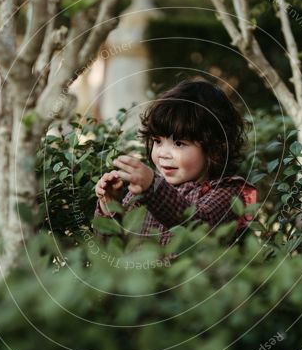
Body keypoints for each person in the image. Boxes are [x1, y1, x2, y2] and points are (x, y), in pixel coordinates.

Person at [94, 79, 257, 245]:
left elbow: (200, 226)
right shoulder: (141, 193)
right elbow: (110, 251)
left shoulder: (227, 194)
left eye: (179, 143)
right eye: (157, 141)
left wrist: (153, 188)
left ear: (214, 148)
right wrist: (111, 208)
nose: (163, 153)